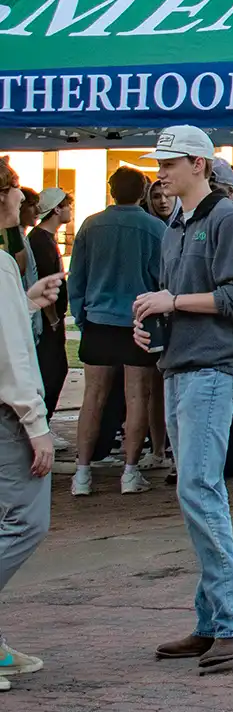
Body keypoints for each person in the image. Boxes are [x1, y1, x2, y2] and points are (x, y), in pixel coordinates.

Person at [133, 124, 233, 668]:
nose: (160, 174)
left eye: (169, 164)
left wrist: (174, 303)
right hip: (182, 365)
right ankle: (215, 621)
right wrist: (153, 324)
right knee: (199, 492)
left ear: (200, 166)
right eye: (160, 165)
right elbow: (185, 297)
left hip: (212, 368)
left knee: (199, 489)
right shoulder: (177, 225)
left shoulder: (227, 217)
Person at [0, 159, 62, 687]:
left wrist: (23, 301)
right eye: (17, 190)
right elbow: (15, 357)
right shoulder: (0, 262)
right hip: (7, 415)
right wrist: (37, 425)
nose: (23, 200)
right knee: (26, 522)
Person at [67, 167, 165, 496]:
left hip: (98, 320)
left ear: (111, 190)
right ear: (142, 191)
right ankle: (130, 470)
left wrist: (82, 316)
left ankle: (82, 473)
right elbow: (162, 278)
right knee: (138, 397)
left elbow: (76, 277)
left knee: (92, 397)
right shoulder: (155, 228)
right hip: (138, 322)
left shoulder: (90, 225)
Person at [26, 188, 71, 423]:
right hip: (46, 321)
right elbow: (45, 282)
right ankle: (41, 423)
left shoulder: (45, 239)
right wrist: (52, 317)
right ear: (56, 209)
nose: (70, 210)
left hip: (52, 318)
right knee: (52, 372)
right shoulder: (41, 241)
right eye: (67, 205)